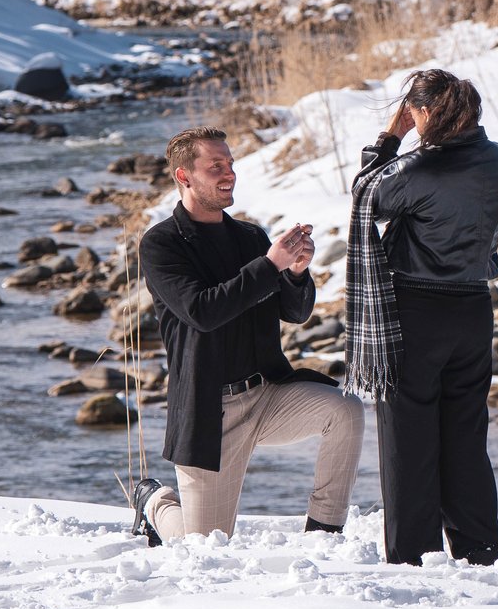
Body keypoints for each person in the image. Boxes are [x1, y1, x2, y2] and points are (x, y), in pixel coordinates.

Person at [128, 127, 364, 543]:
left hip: (269, 395)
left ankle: (323, 533)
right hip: (210, 412)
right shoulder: (162, 244)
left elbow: (295, 312)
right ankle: (156, 503)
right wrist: (270, 266)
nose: (229, 173)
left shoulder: (250, 237)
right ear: (184, 177)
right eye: (215, 166)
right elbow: (203, 311)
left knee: (344, 410)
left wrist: (295, 272)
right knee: (202, 547)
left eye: (231, 164)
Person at [344, 68, 498, 565]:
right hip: (472, 308)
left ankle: (415, 556)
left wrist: (389, 137)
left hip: (415, 310)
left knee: (408, 438)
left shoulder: (420, 168)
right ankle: (478, 544)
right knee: (465, 432)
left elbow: (364, 196)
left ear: (423, 113)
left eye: (412, 113)